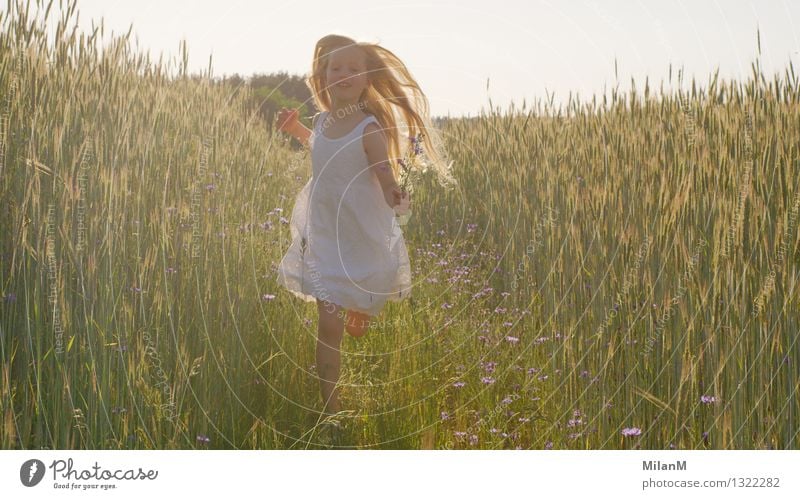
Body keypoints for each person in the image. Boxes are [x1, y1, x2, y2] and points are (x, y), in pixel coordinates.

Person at [275, 34, 457, 417]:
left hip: (360, 230)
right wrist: (297, 132)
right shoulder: (324, 121)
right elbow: (322, 146)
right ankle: (332, 409)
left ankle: (363, 308)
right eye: (336, 68)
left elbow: (383, 170)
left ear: (366, 79)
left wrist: (394, 191)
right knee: (329, 325)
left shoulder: (369, 128)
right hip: (326, 233)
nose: (344, 74)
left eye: (354, 69)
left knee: (359, 309)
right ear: (323, 77)